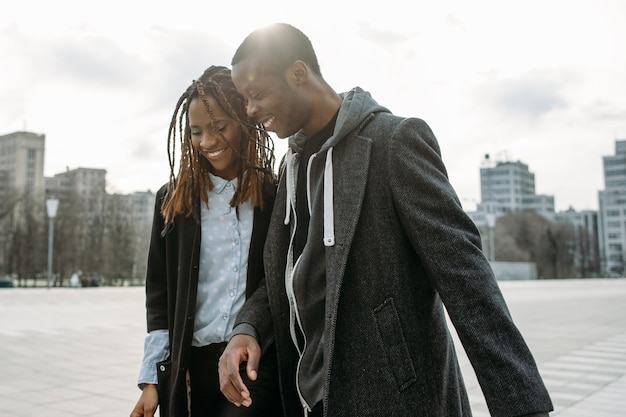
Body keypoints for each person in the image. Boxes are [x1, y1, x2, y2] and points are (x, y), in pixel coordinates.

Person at [218, 23, 554, 417]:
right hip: (312, 400)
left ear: (297, 73)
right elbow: (288, 273)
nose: (251, 112)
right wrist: (248, 326)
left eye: (255, 95)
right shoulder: (291, 164)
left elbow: (466, 277)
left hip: (399, 400)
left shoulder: (393, 143)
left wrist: (521, 404)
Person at [130, 66, 283, 417]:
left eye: (220, 127)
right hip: (189, 369)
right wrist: (152, 380)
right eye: (196, 132)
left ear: (246, 122)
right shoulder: (172, 202)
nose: (208, 142)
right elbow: (159, 296)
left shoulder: (274, 195)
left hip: (253, 363)